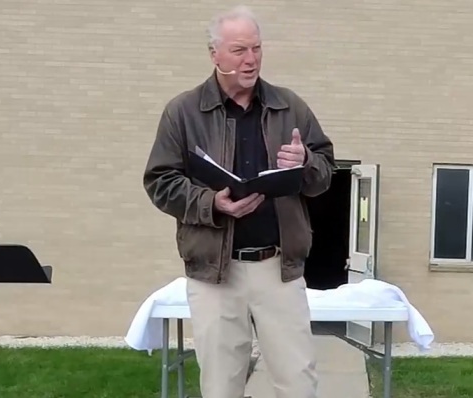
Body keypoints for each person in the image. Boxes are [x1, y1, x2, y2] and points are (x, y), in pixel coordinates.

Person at [142, 5, 335, 398]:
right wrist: (212, 203)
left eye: (257, 48)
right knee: (220, 386)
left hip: (278, 268)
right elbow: (160, 181)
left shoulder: (289, 106)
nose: (251, 60)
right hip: (216, 273)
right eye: (239, 50)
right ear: (214, 54)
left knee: (298, 383)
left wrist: (306, 163)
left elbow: (324, 174)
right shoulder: (183, 112)